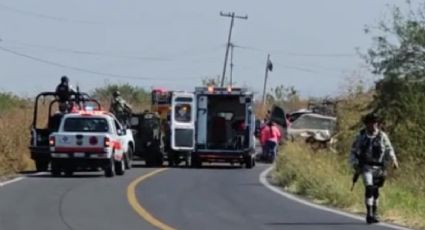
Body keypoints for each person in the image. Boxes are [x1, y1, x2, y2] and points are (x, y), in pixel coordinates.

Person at [349, 113, 399, 224]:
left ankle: (375, 213)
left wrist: (394, 160)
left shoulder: (382, 136)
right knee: (369, 188)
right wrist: (354, 163)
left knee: (376, 190)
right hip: (366, 166)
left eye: (375, 123)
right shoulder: (360, 136)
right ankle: (369, 213)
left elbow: (389, 148)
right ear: (366, 124)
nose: (373, 126)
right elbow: (353, 151)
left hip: (379, 167)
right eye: (371, 123)